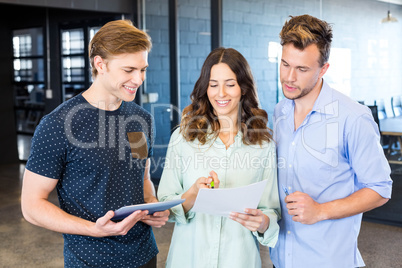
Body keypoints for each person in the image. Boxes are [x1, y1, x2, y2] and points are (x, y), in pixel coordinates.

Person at [21, 20, 169, 268]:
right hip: (91, 260)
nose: (139, 79)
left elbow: (142, 179)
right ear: (100, 64)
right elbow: (31, 206)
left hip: (144, 255)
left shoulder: (141, 119)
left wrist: (153, 206)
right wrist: (94, 229)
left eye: (143, 69)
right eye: (129, 70)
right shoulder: (57, 125)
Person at [270, 14, 393, 268]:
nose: (289, 77)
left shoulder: (353, 118)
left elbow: (380, 189)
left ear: (323, 69)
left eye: (302, 69)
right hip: (281, 260)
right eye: (284, 64)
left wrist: (320, 210)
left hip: (328, 261)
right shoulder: (280, 112)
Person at [157, 47, 280, 267]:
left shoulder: (263, 145)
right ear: (205, 88)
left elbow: (270, 209)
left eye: (230, 84)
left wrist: (263, 222)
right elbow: (166, 204)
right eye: (213, 84)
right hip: (189, 258)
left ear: (243, 88)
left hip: (239, 259)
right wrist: (192, 195)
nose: (220, 93)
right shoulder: (183, 138)